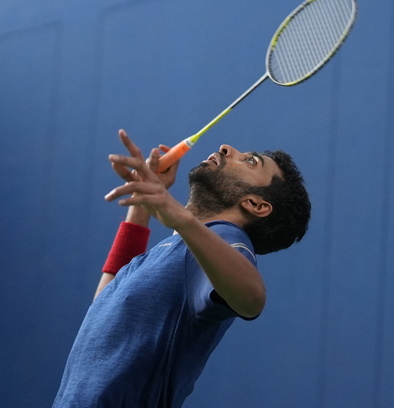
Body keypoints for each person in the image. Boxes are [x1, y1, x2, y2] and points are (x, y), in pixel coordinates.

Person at [53, 129, 311, 407]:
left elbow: (252, 299)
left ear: (255, 204)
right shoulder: (179, 249)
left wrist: (179, 215)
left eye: (251, 161)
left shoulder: (225, 237)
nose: (226, 147)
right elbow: (104, 308)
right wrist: (141, 203)